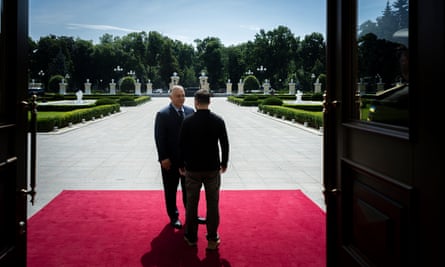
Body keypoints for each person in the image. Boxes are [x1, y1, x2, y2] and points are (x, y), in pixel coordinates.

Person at [178, 89, 229, 250]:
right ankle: (212, 239)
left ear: (196, 102)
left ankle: (192, 237)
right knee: (213, 204)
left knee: (192, 204)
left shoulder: (187, 121)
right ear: (209, 102)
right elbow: (225, 144)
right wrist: (224, 162)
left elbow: (181, 146)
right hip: (212, 168)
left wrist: (181, 165)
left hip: (192, 169)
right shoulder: (218, 121)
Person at [154, 85, 196, 229]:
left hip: (187, 161)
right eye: (178, 96)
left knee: (189, 191)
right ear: (170, 97)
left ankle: (191, 215)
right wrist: (163, 157)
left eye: (183, 95)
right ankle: (174, 216)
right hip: (170, 161)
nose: (181, 98)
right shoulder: (163, 114)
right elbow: (159, 138)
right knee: (171, 190)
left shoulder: (191, 112)